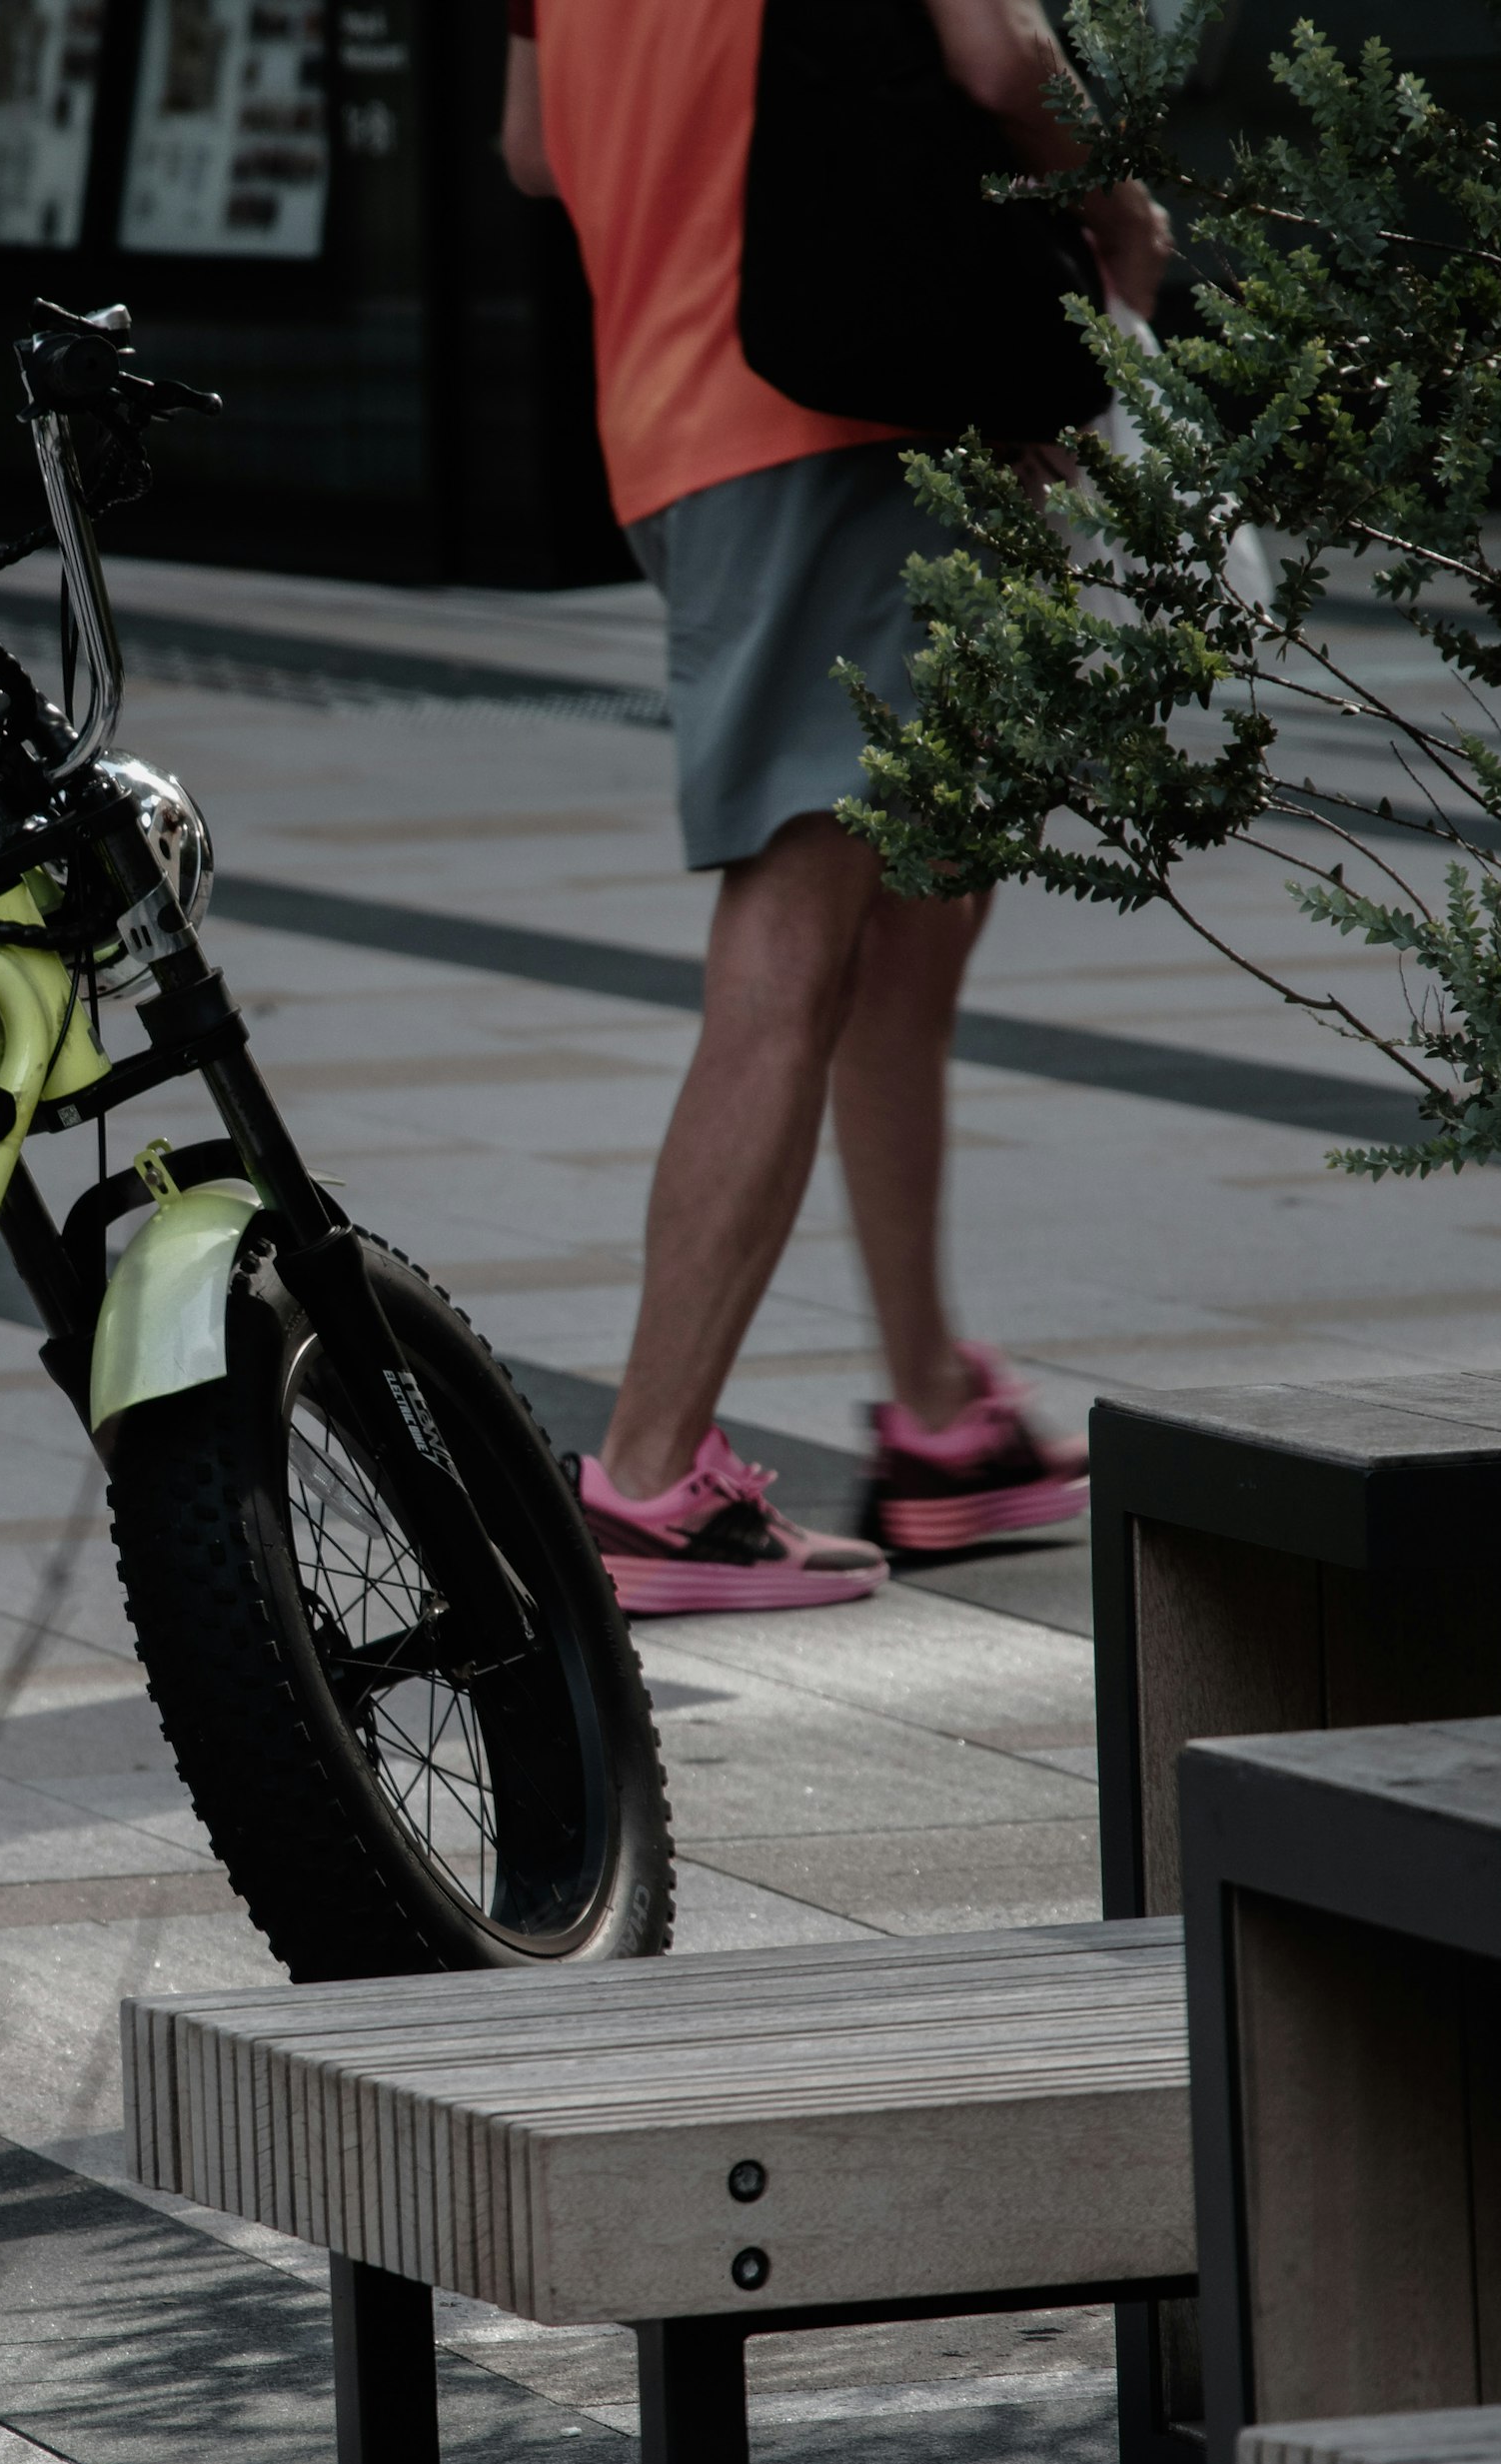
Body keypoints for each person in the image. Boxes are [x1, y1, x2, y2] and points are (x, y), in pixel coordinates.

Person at [499, 0, 1166, 1613]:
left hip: (679, 402)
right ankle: (650, 1481)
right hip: (829, 409)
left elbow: (532, 152)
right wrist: (1118, 202)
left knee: (917, 904)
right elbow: (1000, 59)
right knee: (798, 923)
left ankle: (939, 1415)